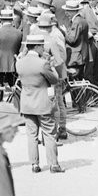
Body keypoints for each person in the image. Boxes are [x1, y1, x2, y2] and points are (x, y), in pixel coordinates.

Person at [16, 31, 62, 173]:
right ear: (36, 47)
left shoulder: (19, 63)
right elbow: (54, 79)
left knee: (32, 135)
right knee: (49, 134)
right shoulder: (43, 64)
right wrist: (50, 64)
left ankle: (34, 164)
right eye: (41, 46)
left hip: (27, 103)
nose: (43, 49)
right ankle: (53, 164)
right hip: (43, 103)